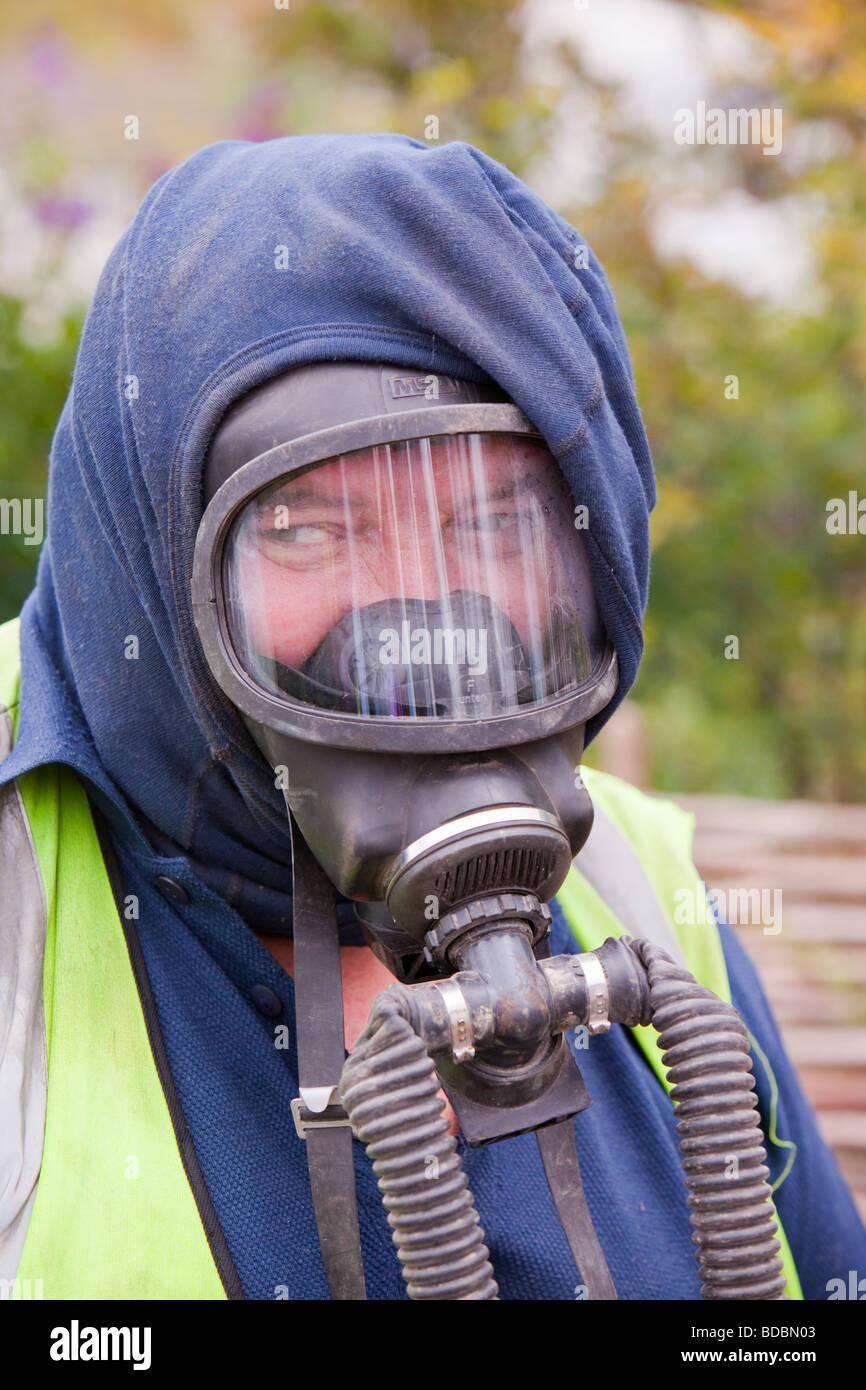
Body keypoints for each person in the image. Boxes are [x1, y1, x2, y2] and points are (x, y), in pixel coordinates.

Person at [0, 133, 863, 1302]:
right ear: (150, 546)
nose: (411, 620)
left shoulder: (636, 875)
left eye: (495, 520)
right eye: (307, 526)